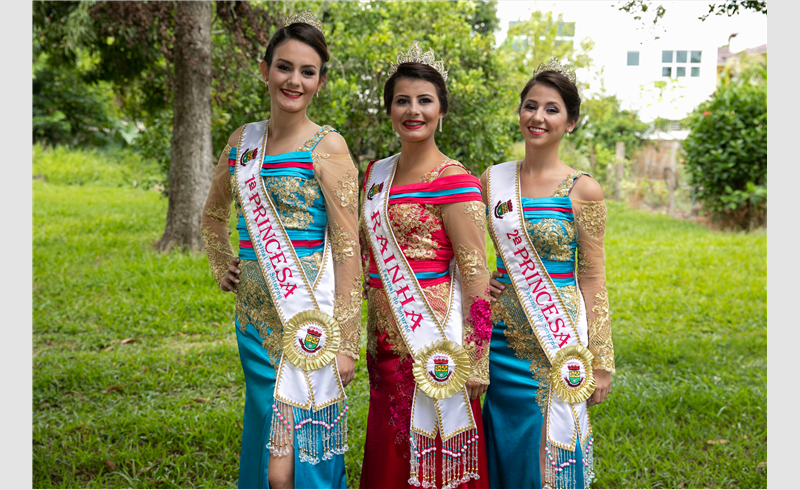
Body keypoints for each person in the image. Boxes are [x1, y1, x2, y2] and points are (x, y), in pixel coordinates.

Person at [201, 11, 361, 489]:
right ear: (266, 69)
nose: (294, 80)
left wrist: (348, 342)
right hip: (253, 318)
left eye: (307, 71)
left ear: (320, 81)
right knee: (268, 439)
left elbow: (349, 248)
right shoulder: (242, 142)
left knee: (289, 462)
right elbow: (212, 215)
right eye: (285, 67)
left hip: (309, 315)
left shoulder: (328, 146)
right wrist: (219, 261)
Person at [359, 41, 492, 489]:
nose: (412, 110)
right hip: (383, 342)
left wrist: (476, 359)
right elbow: (363, 253)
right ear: (390, 109)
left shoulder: (457, 182)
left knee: (439, 454)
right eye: (402, 100)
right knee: (390, 450)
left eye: (424, 100)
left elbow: (476, 274)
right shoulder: (376, 176)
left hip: (438, 343)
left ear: (441, 111)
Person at [480, 57, 615, 489]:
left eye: (552, 109)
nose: (538, 117)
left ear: (571, 122)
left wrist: (602, 359)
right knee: (502, 446)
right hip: (499, 343)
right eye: (530, 106)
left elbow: (593, 277)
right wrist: (481, 277)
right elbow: (461, 251)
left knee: (547, 457)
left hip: (555, 342)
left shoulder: (582, 189)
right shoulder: (492, 181)